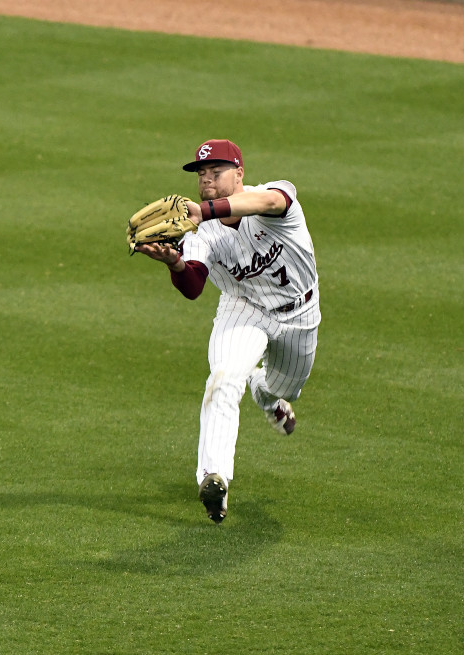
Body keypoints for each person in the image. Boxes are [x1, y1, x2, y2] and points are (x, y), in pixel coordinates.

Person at [135, 139, 321, 524]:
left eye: (215, 174)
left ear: (239, 174)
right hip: (243, 310)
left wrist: (203, 211)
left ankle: (265, 392)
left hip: (298, 312)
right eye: (202, 176)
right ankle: (213, 478)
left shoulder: (273, 197)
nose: (207, 182)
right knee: (222, 379)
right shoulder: (200, 232)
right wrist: (174, 262)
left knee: (286, 388)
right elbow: (194, 286)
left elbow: (270, 203)